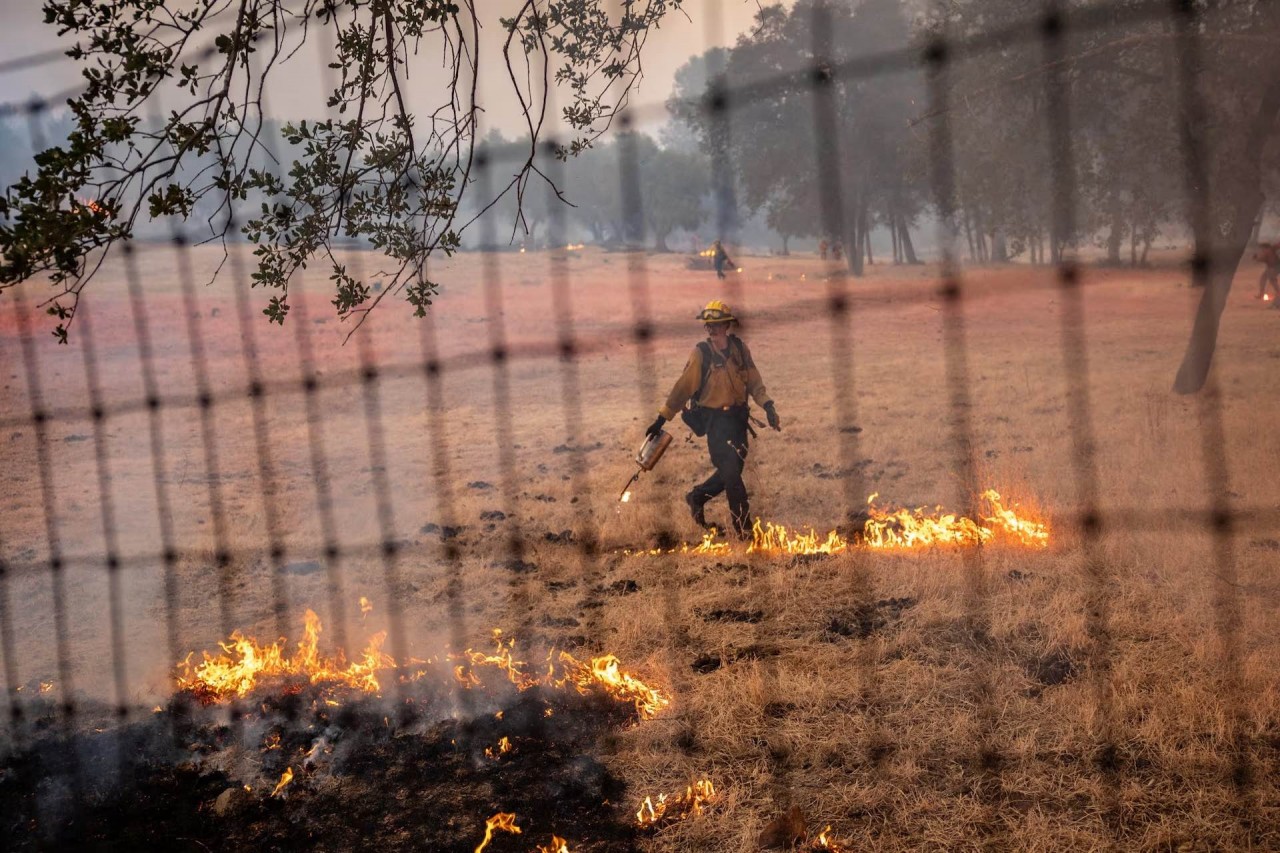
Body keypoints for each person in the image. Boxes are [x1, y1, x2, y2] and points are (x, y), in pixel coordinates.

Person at [644, 300, 781, 539]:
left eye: (717, 325)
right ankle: (745, 532)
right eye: (708, 325)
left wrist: (768, 405)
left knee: (732, 471)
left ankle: (697, 497)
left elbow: (755, 382)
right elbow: (682, 389)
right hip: (715, 424)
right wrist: (661, 419)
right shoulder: (701, 354)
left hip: (738, 421)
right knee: (732, 476)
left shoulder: (739, 349)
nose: (712, 329)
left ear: (727, 325)